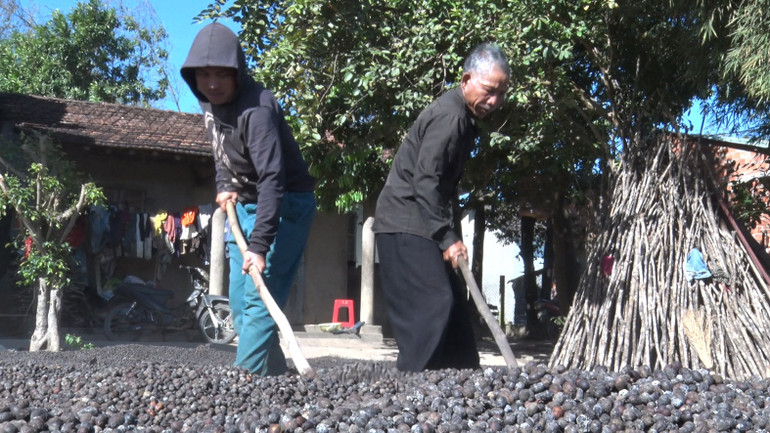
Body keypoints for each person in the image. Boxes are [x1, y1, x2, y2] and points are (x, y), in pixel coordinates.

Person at [181, 23, 316, 376]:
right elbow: (220, 151)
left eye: (221, 74)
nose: (212, 84)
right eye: (204, 75)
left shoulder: (257, 110)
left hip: (284, 204)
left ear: (237, 72)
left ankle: (246, 383)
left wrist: (259, 246)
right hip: (244, 204)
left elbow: (273, 179)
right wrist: (224, 182)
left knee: (259, 302)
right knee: (240, 305)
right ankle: (274, 376)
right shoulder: (209, 102)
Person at [372, 43, 510, 372]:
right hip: (405, 223)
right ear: (466, 80)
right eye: (489, 90)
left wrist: (448, 236)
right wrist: (447, 237)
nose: (494, 101)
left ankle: (460, 384)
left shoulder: (462, 117)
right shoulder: (451, 116)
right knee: (434, 305)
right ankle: (412, 388)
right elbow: (426, 181)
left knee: (455, 319)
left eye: (501, 94)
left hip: (421, 224)